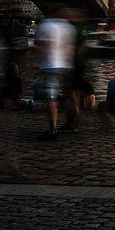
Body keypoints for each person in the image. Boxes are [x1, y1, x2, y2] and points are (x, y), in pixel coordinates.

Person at [34, 10, 78, 140]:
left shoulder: (46, 25)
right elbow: (72, 49)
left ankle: (53, 130)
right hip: (67, 66)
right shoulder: (70, 27)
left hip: (51, 65)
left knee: (50, 98)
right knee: (67, 98)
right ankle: (72, 124)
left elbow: (43, 46)